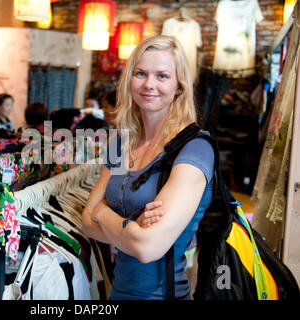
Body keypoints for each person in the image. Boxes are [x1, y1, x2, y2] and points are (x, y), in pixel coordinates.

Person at [81, 35, 215, 300]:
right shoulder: (121, 141)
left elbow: (147, 247)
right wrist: (131, 227)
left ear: (179, 86)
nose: (149, 84)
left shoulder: (195, 148)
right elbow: (86, 224)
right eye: (140, 73)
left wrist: (101, 212)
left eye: (162, 76)